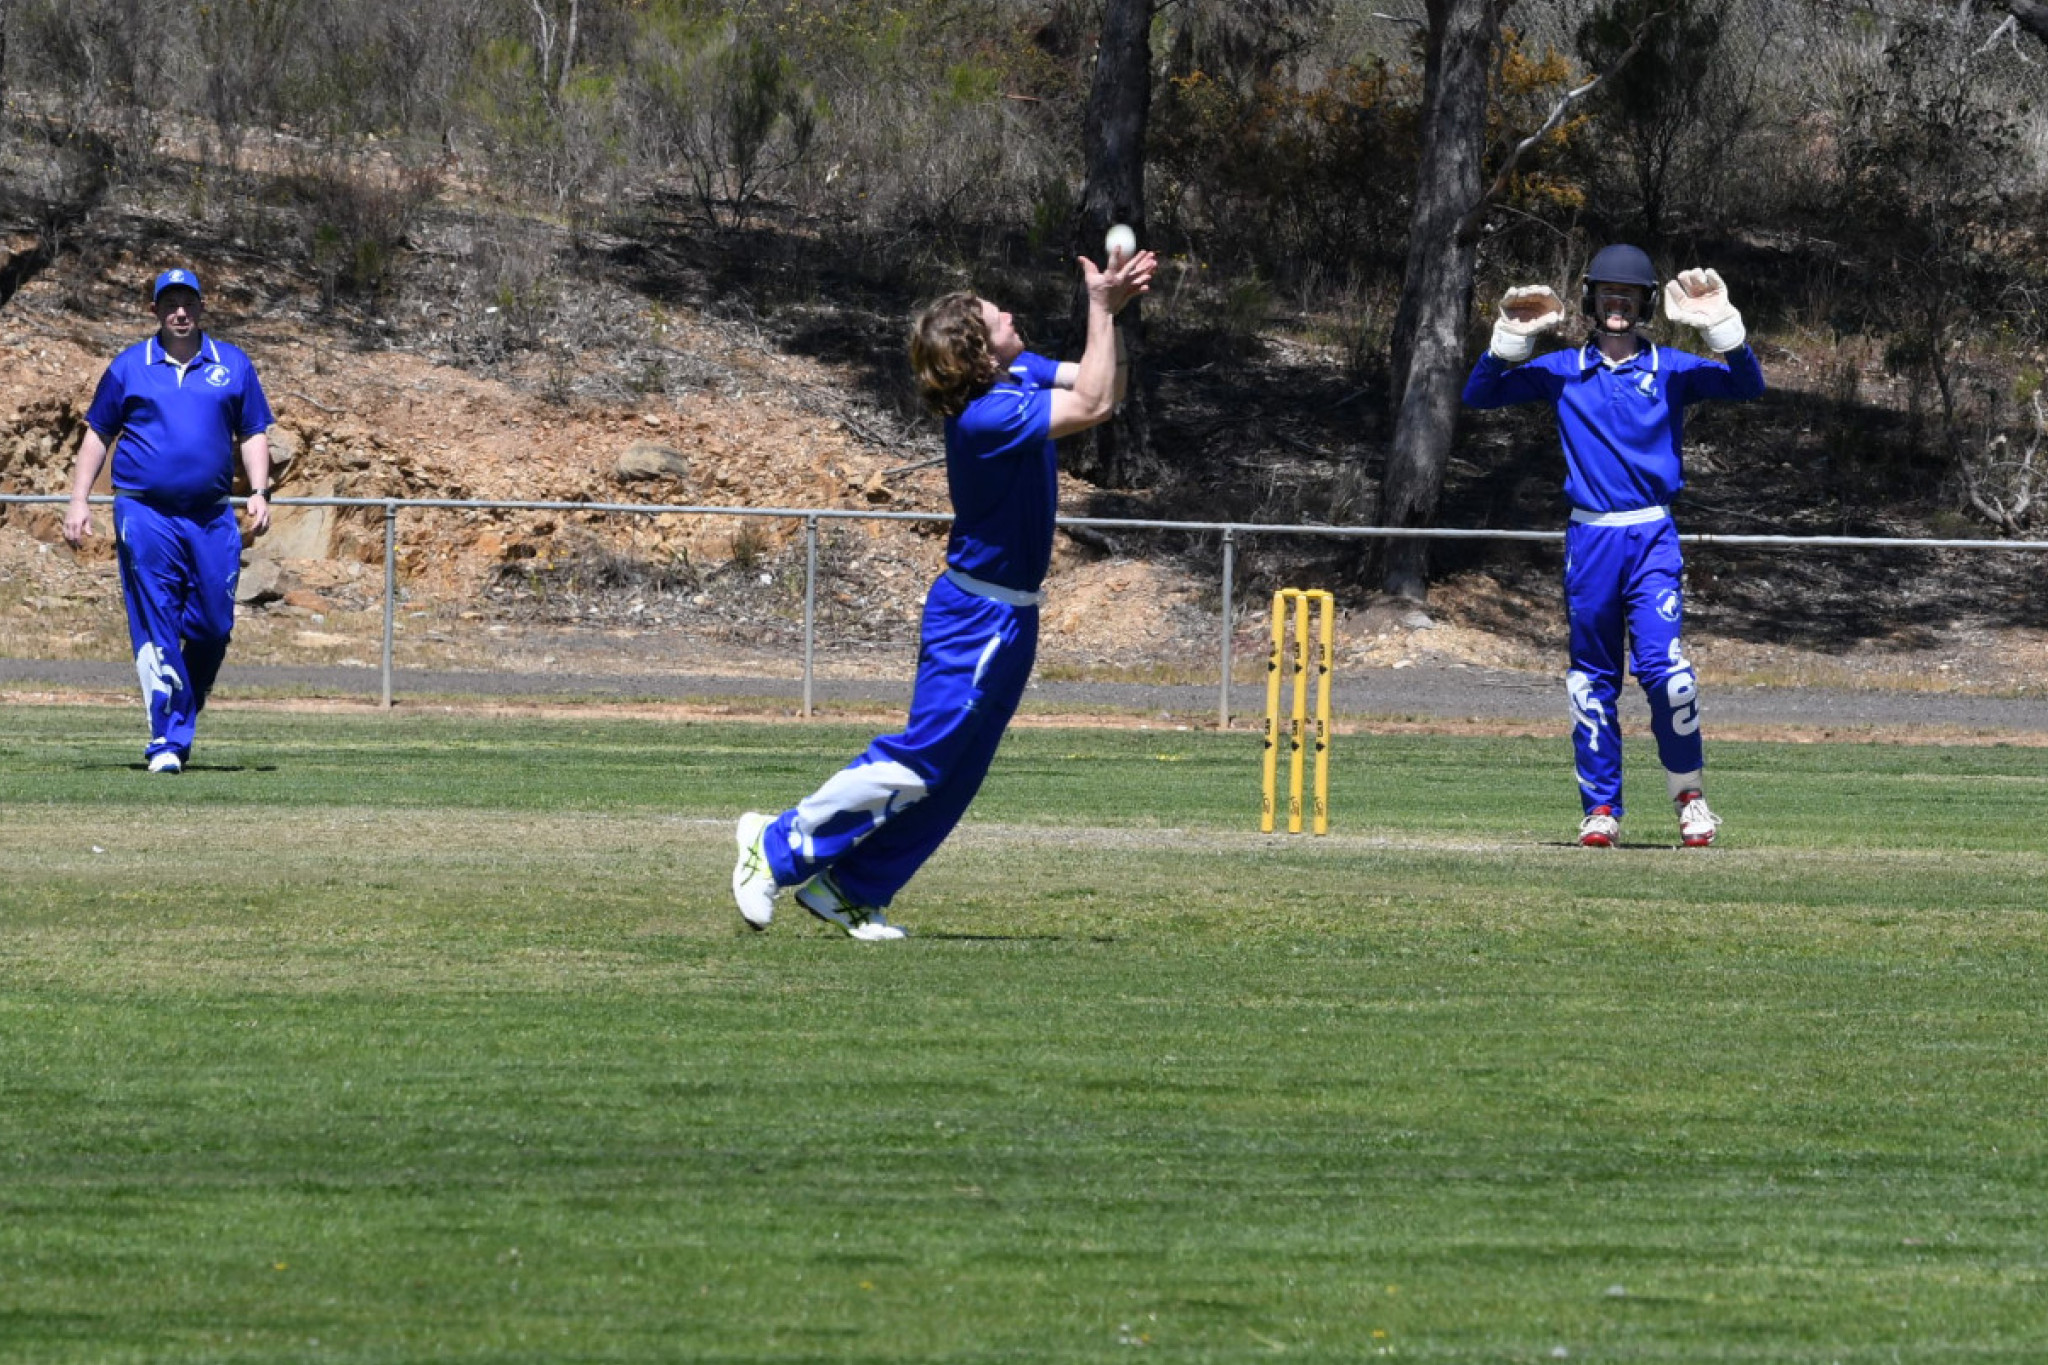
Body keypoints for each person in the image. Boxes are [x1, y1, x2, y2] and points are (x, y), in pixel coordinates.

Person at [731, 243, 1158, 938]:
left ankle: (852, 890)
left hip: (1010, 616)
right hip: (977, 617)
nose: (1009, 314)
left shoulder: (1016, 374)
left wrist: (1115, 311)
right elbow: (1094, 401)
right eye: (995, 316)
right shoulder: (986, 416)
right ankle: (774, 845)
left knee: (956, 774)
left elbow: (1102, 384)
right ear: (978, 352)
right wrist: (1099, 307)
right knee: (924, 756)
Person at [1462, 244, 1765, 847]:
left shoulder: (1672, 368)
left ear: (1646, 304)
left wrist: (1726, 332)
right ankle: (1601, 809)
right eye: (1607, 296)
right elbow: (1479, 395)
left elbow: (1748, 386)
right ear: (1591, 301)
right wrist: (1507, 342)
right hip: (1590, 539)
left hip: (1652, 535)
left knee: (1668, 676)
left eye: (1627, 297)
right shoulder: (1563, 369)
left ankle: (1690, 798)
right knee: (1590, 681)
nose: (1617, 306)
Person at [64, 268, 274, 774]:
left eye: (188, 303)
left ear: (201, 307)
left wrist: (259, 491)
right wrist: (79, 500)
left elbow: (253, 432)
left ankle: (181, 712)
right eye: (170, 304)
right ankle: (166, 740)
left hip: (211, 515)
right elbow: (98, 434)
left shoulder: (233, 365)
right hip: (144, 512)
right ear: (155, 310)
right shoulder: (129, 366)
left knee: (214, 625)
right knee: (155, 616)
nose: (180, 312)